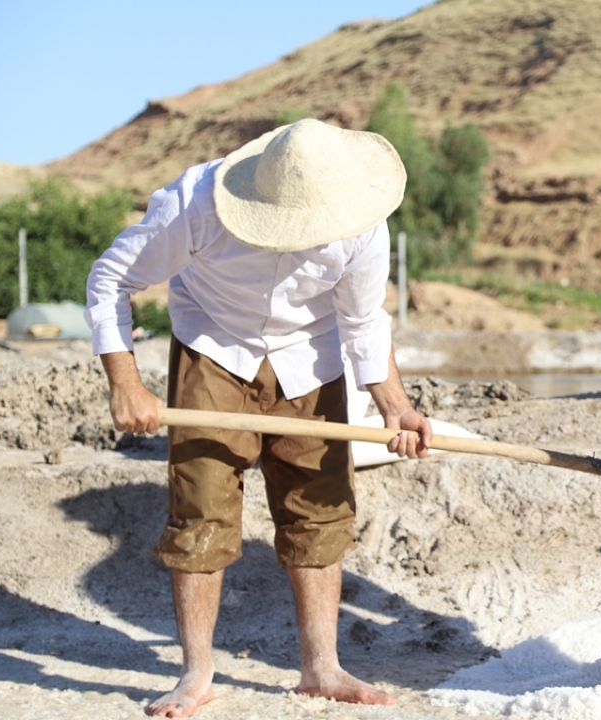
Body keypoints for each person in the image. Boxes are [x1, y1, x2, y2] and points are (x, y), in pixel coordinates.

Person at [85, 118, 434, 718]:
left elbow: (363, 323)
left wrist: (396, 407)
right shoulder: (193, 204)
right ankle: (196, 673)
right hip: (214, 344)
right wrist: (127, 384)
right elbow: (110, 278)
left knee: (319, 505)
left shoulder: (362, 221)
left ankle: (320, 666)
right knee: (201, 507)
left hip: (312, 356)